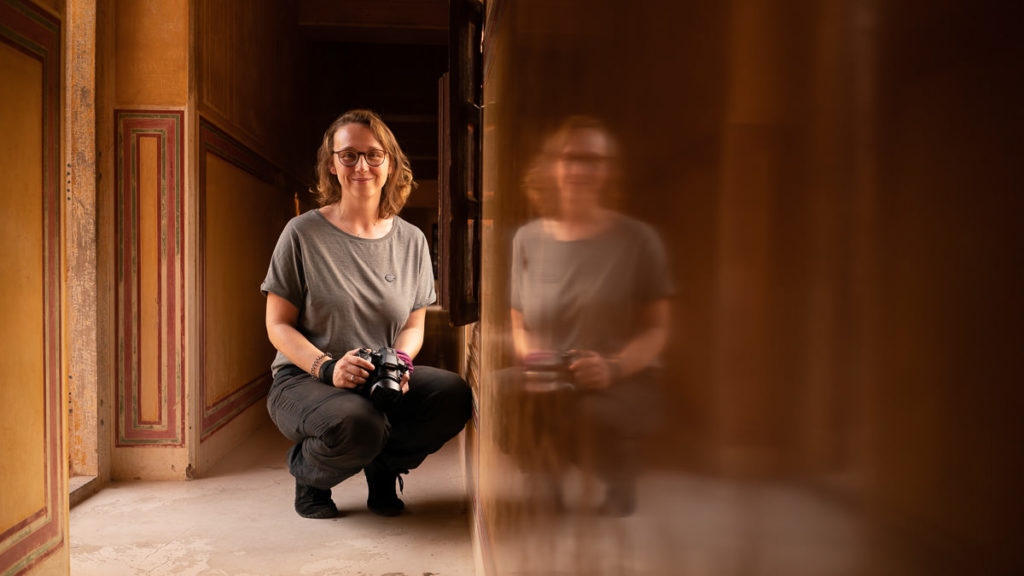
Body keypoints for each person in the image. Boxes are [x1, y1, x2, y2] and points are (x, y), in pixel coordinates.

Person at [261, 109, 472, 519]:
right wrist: (327, 368)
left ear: (390, 163)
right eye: (349, 155)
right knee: (360, 425)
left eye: (374, 155)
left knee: (452, 394)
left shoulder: (411, 240)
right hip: (304, 378)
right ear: (331, 165)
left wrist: (402, 363)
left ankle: (384, 466)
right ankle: (312, 478)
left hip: (380, 373)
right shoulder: (301, 233)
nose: (362, 166)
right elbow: (277, 324)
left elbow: (413, 323)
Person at [506, 116, 673, 516]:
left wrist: (613, 368)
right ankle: (544, 476)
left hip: (620, 378)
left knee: (588, 414)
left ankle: (618, 474)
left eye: (593, 160)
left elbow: (658, 328)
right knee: (500, 393)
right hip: (552, 374)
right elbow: (519, 322)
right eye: (570, 158)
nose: (580, 169)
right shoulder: (528, 239)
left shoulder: (638, 239)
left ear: (608, 170)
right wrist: (535, 360)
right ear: (552, 167)